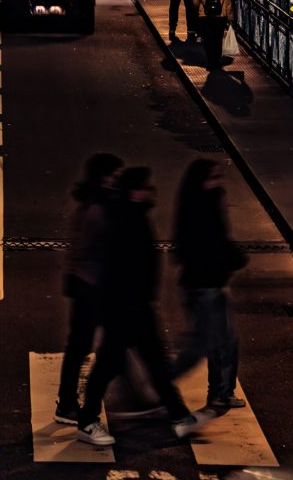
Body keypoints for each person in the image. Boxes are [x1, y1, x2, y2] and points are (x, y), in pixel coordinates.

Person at [73, 167, 210, 446]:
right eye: (146, 187)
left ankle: (179, 416)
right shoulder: (126, 220)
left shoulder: (132, 216)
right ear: (135, 191)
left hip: (135, 307)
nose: (151, 192)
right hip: (125, 309)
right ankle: (87, 422)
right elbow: (122, 269)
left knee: (154, 363)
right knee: (110, 366)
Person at [170, 160, 247, 413]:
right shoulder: (201, 209)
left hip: (209, 283)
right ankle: (162, 384)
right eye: (212, 178)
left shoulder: (203, 203)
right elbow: (214, 243)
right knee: (209, 344)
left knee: (223, 342)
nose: (217, 183)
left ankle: (221, 392)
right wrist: (233, 258)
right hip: (206, 284)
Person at [55, 152, 124, 429]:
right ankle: (69, 404)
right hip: (91, 287)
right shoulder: (97, 209)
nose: (118, 180)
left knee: (81, 347)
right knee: (90, 347)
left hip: (88, 285)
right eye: (114, 175)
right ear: (104, 177)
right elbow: (91, 249)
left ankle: (68, 403)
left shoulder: (93, 204)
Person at [192, 0, 232, 72]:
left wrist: (198, 11)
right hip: (220, 18)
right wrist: (230, 19)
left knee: (208, 40)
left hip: (205, 17)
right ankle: (217, 61)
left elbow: (195, 3)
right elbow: (228, 5)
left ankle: (210, 62)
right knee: (218, 40)